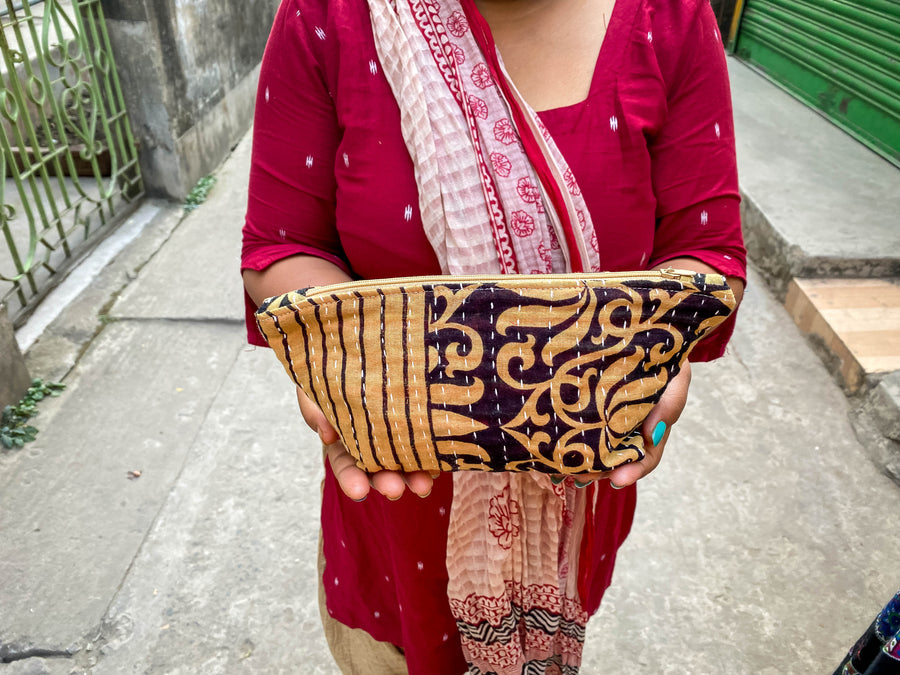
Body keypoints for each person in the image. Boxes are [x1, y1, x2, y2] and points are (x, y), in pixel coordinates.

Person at [241, 0, 746, 672]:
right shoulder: (329, 17)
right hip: (395, 508)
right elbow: (280, 244)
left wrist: (660, 350)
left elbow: (707, 248)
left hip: (575, 500)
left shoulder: (672, 19)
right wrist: (342, 359)